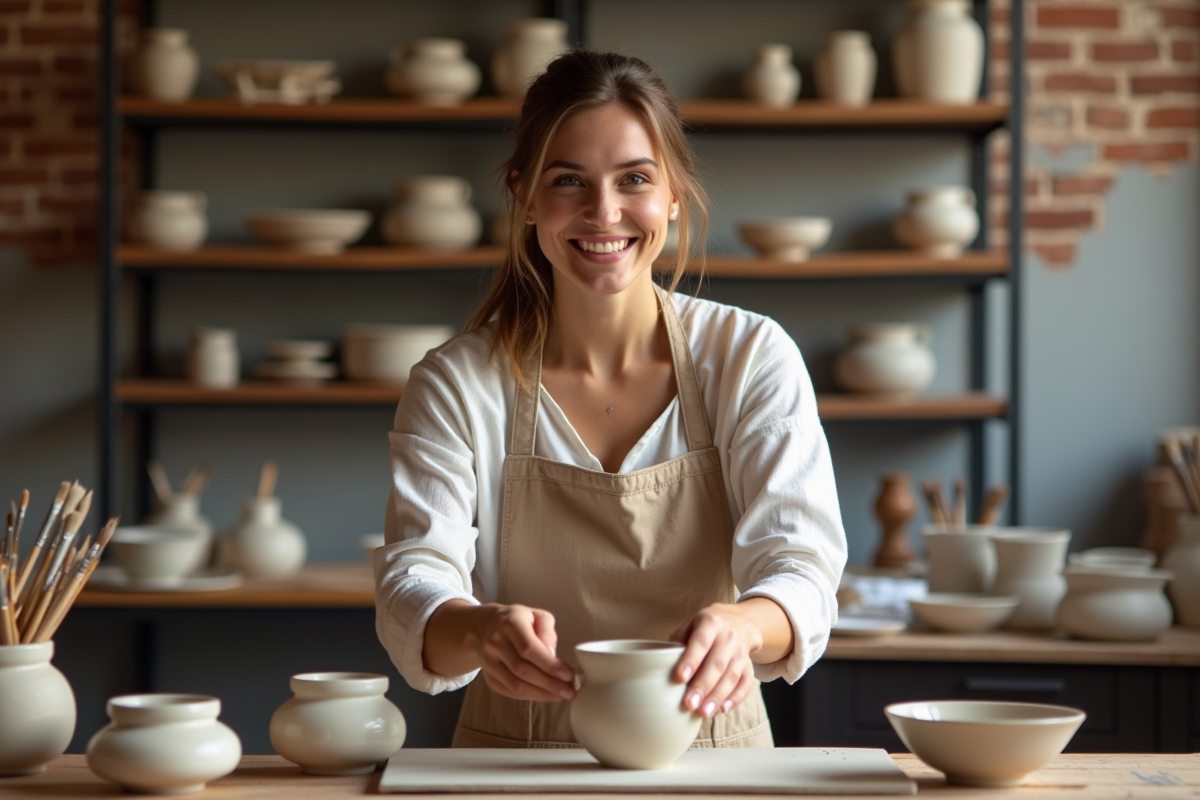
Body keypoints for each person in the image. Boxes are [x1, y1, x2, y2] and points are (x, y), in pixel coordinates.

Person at [374, 48, 847, 749]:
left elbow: (801, 565)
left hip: (713, 760)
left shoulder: (749, 356)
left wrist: (746, 625)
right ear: (526, 197)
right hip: (518, 766)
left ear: (674, 196)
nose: (604, 212)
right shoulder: (457, 384)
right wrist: (479, 630)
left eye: (635, 179)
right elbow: (414, 580)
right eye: (569, 180)